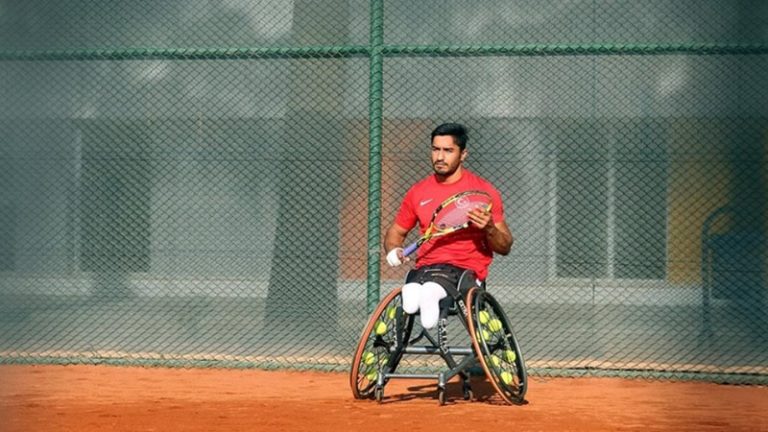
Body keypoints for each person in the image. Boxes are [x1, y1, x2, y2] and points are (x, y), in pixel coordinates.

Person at [383, 122, 513, 329]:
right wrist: (392, 250)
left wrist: (489, 228)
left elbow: (505, 246)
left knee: (430, 289)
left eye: (448, 150)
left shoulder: (483, 191)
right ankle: (421, 296)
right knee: (412, 289)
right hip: (425, 269)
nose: (440, 157)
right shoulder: (418, 192)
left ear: (463, 155)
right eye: (436, 149)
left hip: (465, 273)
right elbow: (396, 232)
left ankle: (430, 295)